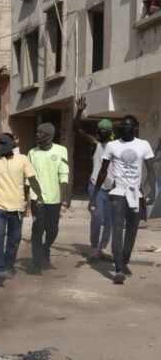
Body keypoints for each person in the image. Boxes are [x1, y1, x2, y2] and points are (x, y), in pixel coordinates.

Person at [90, 115, 156, 284]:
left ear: (135, 127)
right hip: (118, 192)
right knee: (118, 228)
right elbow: (103, 171)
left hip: (136, 194)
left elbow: (150, 170)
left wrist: (153, 192)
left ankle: (124, 260)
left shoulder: (143, 145)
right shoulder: (112, 145)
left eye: (128, 125)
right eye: (123, 125)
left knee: (132, 229)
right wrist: (95, 195)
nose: (125, 128)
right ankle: (118, 268)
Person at [0, 133, 44, 286]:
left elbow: (32, 180)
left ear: (12, 145)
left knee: (14, 241)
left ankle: (8, 266)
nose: (0, 148)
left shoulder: (23, 159)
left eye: (4, 145)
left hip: (17, 208)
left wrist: (39, 196)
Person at [74, 97, 114, 261]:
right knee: (97, 217)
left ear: (111, 132)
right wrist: (79, 112)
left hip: (112, 188)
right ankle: (93, 247)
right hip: (95, 188)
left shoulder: (116, 146)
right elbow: (77, 130)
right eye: (100, 129)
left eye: (105, 129)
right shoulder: (96, 143)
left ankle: (103, 248)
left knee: (110, 221)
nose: (102, 131)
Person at [27, 123, 70, 274]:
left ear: (49, 135)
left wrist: (65, 195)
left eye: (40, 133)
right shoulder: (32, 153)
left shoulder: (61, 150)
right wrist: (24, 198)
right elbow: (29, 178)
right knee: (37, 230)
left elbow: (64, 174)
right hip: (36, 198)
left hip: (55, 198)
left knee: (52, 230)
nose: (37, 135)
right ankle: (36, 264)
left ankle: (46, 249)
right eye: (36, 132)